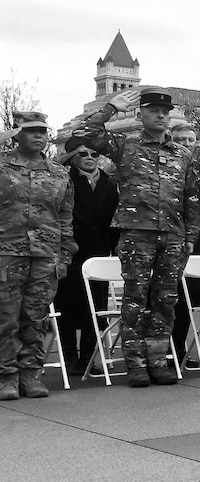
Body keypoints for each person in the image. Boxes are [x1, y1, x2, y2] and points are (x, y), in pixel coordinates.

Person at [68, 88, 200, 387]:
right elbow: (83, 132)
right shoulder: (125, 145)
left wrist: (191, 235)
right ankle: (136, 363)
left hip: (173, 235)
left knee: (166, 299)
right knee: (135, 299)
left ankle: (157, 359)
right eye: (154, 110)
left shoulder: (181, 153)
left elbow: (190, 197)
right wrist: (111, 107)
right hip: (136, 233)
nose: (161, 115)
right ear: (141, 114)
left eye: (165, 112)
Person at [0, 112, 75, 400]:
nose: (39, 136)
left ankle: (31, 374)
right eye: (31, 131)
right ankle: (6, 376)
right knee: (6, 317)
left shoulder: (58, 173)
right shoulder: (3, 166)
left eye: (43, 131)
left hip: (46, 255)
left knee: (35, 316)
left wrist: (65, 255)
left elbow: (66, 216)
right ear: (16, 134)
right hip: (7, 252)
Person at [52, 136, 119, 375]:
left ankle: (89, 357)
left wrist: (113, 249)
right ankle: (69, 355)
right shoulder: (62, 179)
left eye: (94, 154)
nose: (90, 158)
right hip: (71, 250)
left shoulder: (109, 184)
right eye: (83, 154)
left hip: (98, 251)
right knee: (67, 305)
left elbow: (114, 220)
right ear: (71, 157)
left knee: (96, 306)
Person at [166, 118, 200, 366]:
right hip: (168, 246)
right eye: (180, 140)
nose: (186, 144)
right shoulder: (163, 169)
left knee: (188, 305)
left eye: (190, 140)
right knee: (166, 302)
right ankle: (163, 352)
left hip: (199, 249)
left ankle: (179, 352)